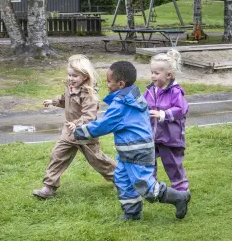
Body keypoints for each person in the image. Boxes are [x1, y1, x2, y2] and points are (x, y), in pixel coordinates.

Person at [74, 61, 191, 220]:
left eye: (109, 81)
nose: (107, 84)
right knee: (123, 180)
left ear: (121, 84)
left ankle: (179, 197)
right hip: (127, 151)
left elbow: (105, 124)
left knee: (144, 186)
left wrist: (80, 131)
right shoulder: (132, 95)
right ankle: (132, 212)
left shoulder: (121, 104)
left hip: (138, 151)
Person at [32, 55, 116, 199]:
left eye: (75, 76)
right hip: (68, 133)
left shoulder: (89, 95)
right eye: (69, 75)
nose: (71, 78)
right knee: (57, 156)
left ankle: (121, 178)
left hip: (85, 134)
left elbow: (89, 116)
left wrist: (76, 123)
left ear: (85, 76)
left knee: (98, 160)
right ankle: (48, 187)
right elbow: (65, 100)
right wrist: (53, 101)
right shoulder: (70, 87)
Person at [144, 50, 190, 191]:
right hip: (152, 135)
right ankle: (151, 188)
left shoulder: (175, 92)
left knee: (172, 164)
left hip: (170, 137)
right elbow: (143, 104)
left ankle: (181, 190)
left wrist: (163, 114)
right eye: (152, 72)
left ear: (169, 75)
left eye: (156, 73)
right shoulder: (151, 90)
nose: (152, 76)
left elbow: (181, 108)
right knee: (148, 162)